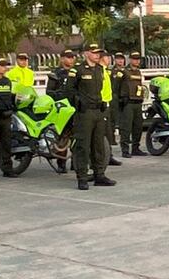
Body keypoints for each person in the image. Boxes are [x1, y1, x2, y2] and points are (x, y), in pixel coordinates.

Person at [63, 43, 116, 191]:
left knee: (98, 145)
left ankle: (99, 174)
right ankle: (82, 177)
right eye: (93, 52)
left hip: (99, 111)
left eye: (98, 52)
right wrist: (78, 104)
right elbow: (69, 91)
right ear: (86, 53)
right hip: (84, 113)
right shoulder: (77, 70)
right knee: (83, 146)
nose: (97, 55)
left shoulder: (100, 69)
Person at [46, 50, 76, 174]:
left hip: (75, 108)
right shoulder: (56, 74)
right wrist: (59, 95)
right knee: (62, 137)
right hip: (61, 109)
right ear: (62, 59)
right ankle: (61, 163)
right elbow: (49, 92)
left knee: (77, 137)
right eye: (68, 57)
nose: (71, 60)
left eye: (72, 57)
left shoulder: (76, 72)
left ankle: (76, 163)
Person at [116, 52, 147, 157]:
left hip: (137, 102)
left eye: (138, 59)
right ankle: (125, 150)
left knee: (138, 127)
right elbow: (116, 86)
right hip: (127, 102)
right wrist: (121, 99)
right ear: (130, 60)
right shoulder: (123, 71)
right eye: (134, 59)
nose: (137, 61)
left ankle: (135, 148)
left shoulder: (138, 71)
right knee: (126, 127)